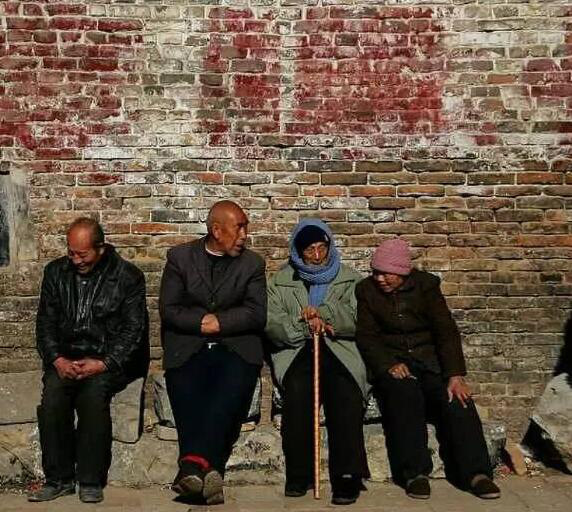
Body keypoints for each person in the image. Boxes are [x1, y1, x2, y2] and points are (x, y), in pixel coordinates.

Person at [355, 238, 500, 500]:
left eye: (386, 273)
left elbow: (445, 332)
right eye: (376, 272)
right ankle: (414, 474)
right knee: (404, 397)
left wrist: (454, 375)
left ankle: (476, 473)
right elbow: (367, 337)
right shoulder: (366, 291)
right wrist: (388, 364)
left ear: (402, 272)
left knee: (457, 401)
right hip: (395, 364)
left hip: (430, 363)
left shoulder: (426, 287)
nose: (380, 279)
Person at [30, 218, 149, 504]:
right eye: (71, 253)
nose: (76, 260)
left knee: (93, 398)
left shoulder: (127, 277)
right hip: (66, 357)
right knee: (53, 400)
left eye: (82, 254)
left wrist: (105, 363)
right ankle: (58, 479)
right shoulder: (56, 272)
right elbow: (45, 323)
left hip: (105, 359)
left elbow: (133, 330)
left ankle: (90, 479)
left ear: (101, 248)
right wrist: (57, 359)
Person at [159, 200, 266, 505]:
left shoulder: (252, 264)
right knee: (186, 389)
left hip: (236, 348)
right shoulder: (180, 258)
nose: (244, 234)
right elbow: (169, 309)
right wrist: (199, 323)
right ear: (217, 231)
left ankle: (191, 466)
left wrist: (220, 323)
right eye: (239, 227)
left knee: (227, 394)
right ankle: (212, 473)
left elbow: (256, 312)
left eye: (245, 227)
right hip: (188, 346)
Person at [266, 219, 370, 505]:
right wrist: (304, 324)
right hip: (299, 349)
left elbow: (359, 318)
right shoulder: (280, 281)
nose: (317, 255)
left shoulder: (350, 279)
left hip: (339, 348)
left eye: (321, 248)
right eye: (309, 250)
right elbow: (272, 323)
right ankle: (299, 474)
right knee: (298, 393)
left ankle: (347, 476)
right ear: (298, 252)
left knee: (345, 394)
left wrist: (325, 314)